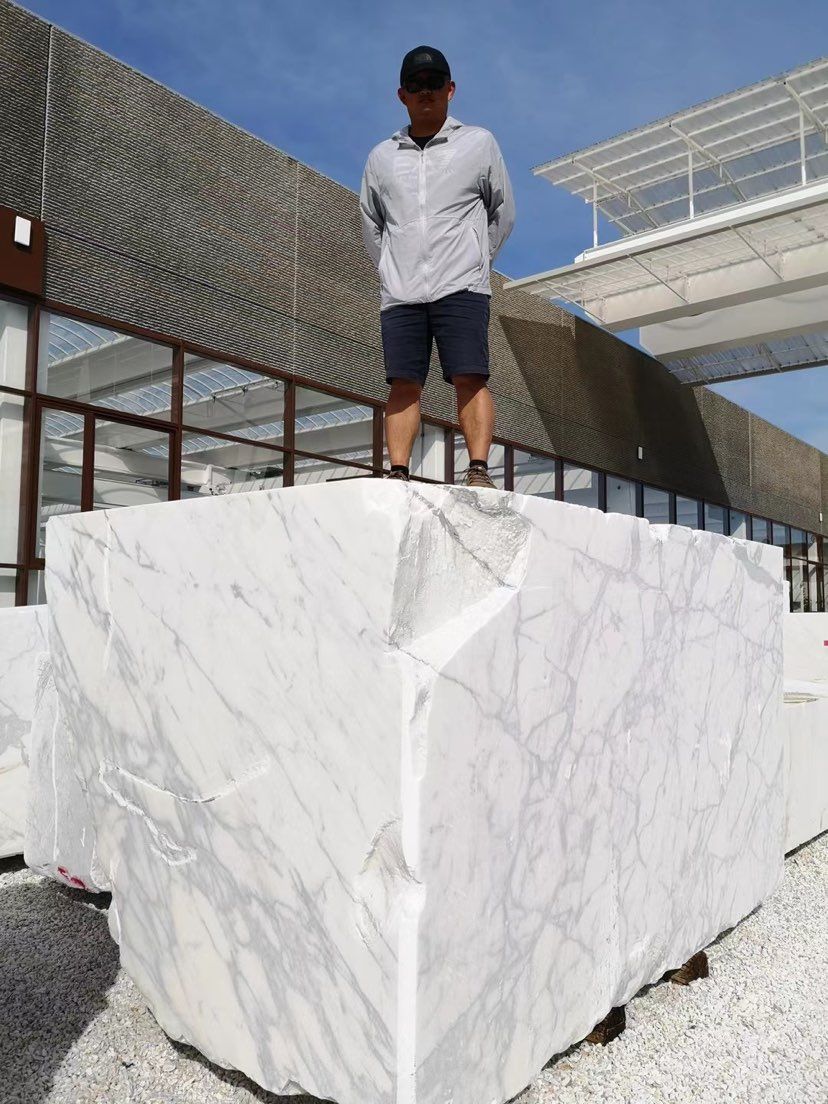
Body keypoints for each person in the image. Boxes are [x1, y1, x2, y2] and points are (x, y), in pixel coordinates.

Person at [359, 46, 515, 488]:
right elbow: (371, 224)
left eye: (434, 83)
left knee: (470, 376)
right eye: (415, 85)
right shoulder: (381, 157)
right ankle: (398, 472)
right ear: (402, 95)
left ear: (450, 89)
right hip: (401, 293)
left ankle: (478, 470)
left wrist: (475, 260)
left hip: (462, 286)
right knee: (403, 383)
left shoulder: (479, 143)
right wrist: (393, 269)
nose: (425, 91)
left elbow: (503, 212)